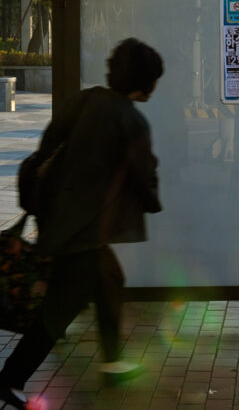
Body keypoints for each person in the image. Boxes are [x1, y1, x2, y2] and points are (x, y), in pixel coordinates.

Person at [0, 39, 164, 409]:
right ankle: (10, 378)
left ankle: (111, 361)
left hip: (59, 217)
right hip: (84, 230)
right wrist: (153, 201)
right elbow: (144, 173)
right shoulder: (130, 119)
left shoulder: (84, 99)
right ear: (146, 81)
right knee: (59, 309)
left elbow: (47, 147)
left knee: (109, 280)